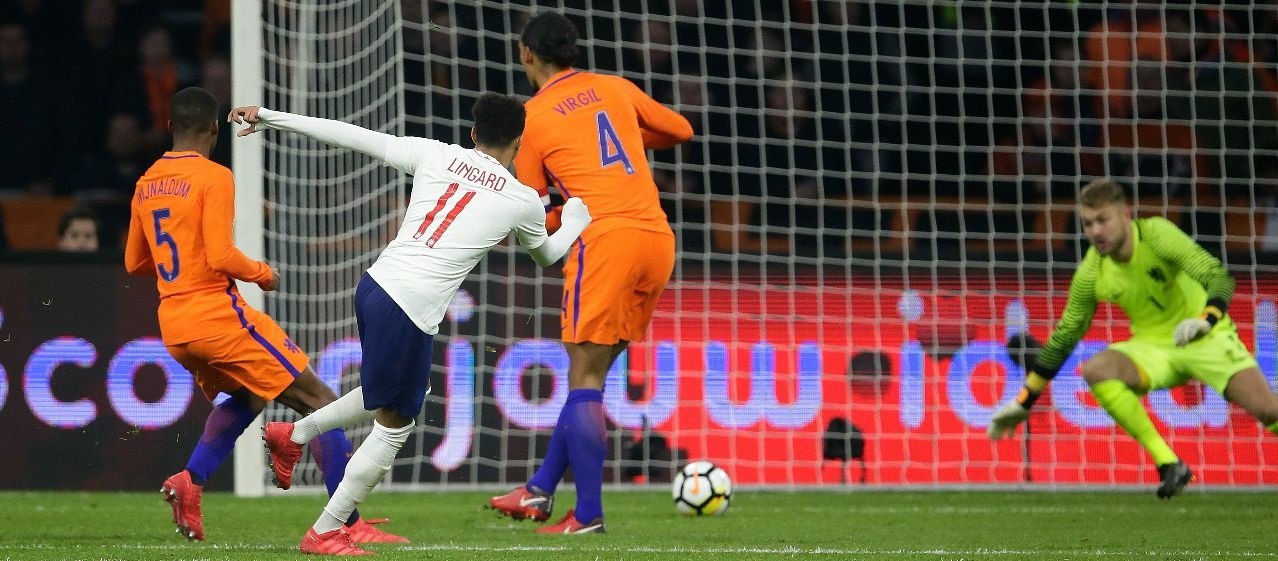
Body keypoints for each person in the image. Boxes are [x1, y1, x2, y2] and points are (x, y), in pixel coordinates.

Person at [229, 92, 592, 555]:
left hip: (375, 286)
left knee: (393, 395)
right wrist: (575, 220)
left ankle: (295, 435)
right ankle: (326, 530)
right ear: (518, 143)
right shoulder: (523, 200)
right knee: (395, 424)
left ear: (473, 133)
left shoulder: (435, 154)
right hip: (410, 305)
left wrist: (270, 117)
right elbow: (546, 255)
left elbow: (353, 136)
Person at [124, 87, 404, 544]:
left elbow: (135, 262)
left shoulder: (146, 182)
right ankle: (347, 525)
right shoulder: (214, 176)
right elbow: (221, 254)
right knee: (321, 402)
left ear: (170, 127)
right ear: (214, 129)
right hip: (217, 316)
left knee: (251, 397)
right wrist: (262, 273)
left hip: (174, 325)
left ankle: (190, 480)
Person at [487, 12, 693, 534]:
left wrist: (558, 215)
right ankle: (538, 490)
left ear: (526, 53)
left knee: (583, 378)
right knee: (592, 379)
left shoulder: (532, 118)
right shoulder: (615, 87)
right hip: (656, 240)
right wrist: (625, 143)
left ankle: (588, 516)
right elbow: (680, 130)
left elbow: (535, 212)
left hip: (605, 243)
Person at [987, 178, 1278, 499]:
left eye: (1103, 220)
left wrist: (1206, 319)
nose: (1096, 231)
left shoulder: (1157, 235)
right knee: (1096, 369)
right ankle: (1169, 463)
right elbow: (1064, 337)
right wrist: (1024, 400)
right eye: (1088, 224)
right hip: (1153, 349)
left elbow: (1217, 276)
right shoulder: (1091, 272)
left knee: (1269, 411)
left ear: (1125, 214)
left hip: (1206, 336)